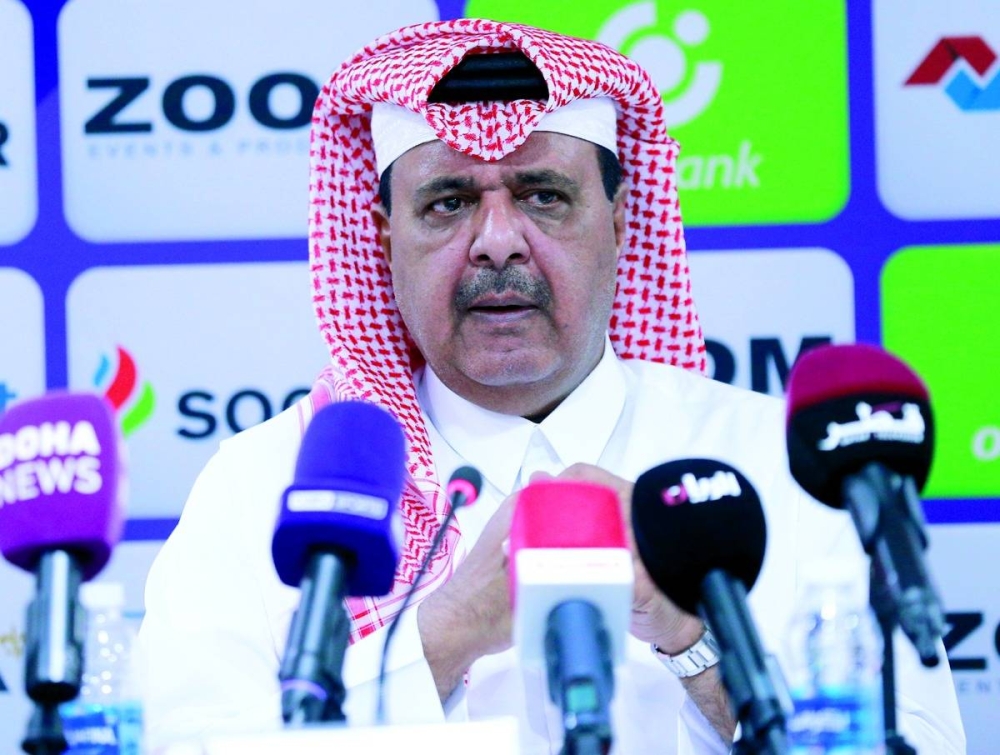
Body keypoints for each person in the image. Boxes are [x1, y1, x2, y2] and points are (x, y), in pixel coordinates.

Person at [138, 19, 966, 754]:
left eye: (544, 196)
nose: (498, 242)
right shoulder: (265, 486)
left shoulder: (782, 466)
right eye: (448, 202)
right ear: (384, 239)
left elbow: (919, 740)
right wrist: (441, 638)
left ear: (620, 220)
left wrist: (696, 637)